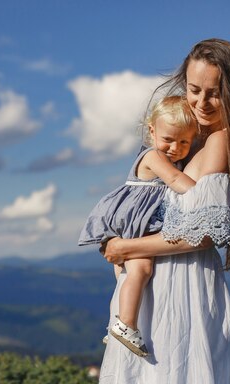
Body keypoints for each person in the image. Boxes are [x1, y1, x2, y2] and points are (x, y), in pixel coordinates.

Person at [94, 38, 230, 384]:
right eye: (194, 89)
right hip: (161, 288)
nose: (201, 103)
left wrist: (127, 248)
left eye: (215, 93)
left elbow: (206, 231)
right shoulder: (195, 140)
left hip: (182, 291)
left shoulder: (221, 142)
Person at [78, 96, 197, 357]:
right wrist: (200, 193)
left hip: (138, 221)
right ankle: (126, 324)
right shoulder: (153, 156)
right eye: (169, 139)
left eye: (184, 141)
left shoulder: (164, 154)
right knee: (141, 268)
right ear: (152, 131)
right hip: (134, 221)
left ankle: (116, 322)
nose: (175, 148)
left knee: (125, 273)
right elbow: (175, 179)